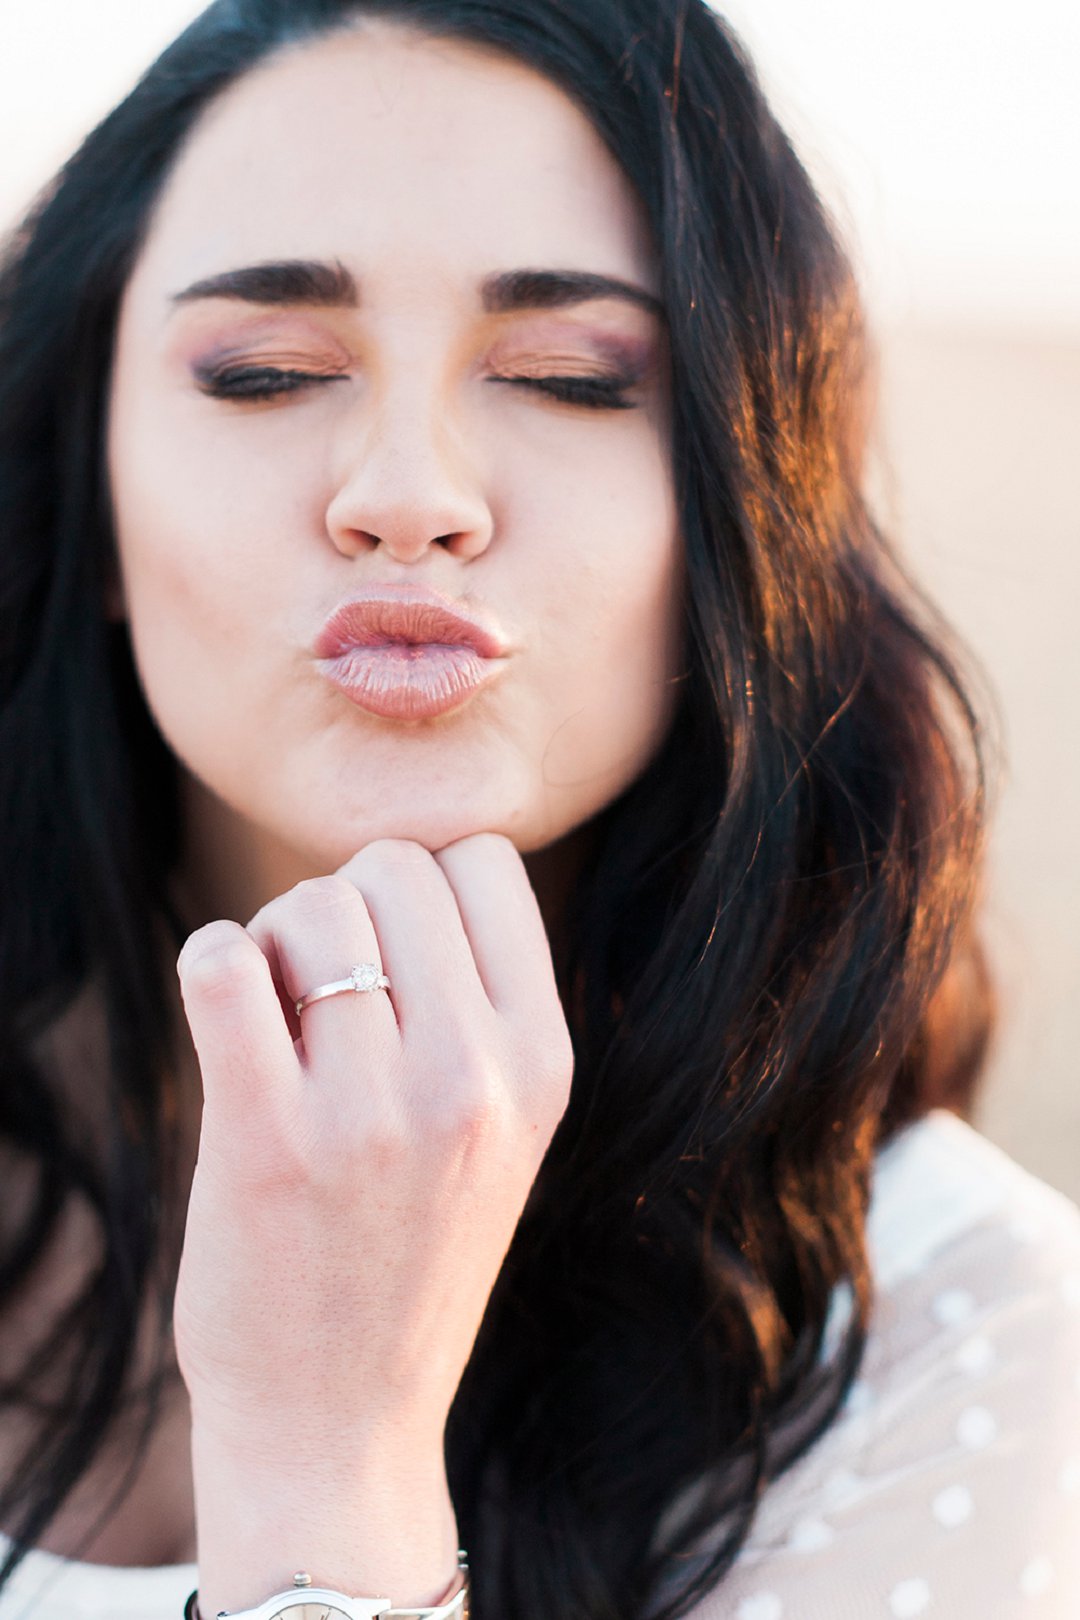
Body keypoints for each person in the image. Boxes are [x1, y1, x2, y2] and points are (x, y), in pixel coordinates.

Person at [0, 1, 1077, 1616]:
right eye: (267, 370)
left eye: (573, 379)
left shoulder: (963, 1347)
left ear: (738, 513)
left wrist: (330, 1461)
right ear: (89, 494)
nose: (410, 494)